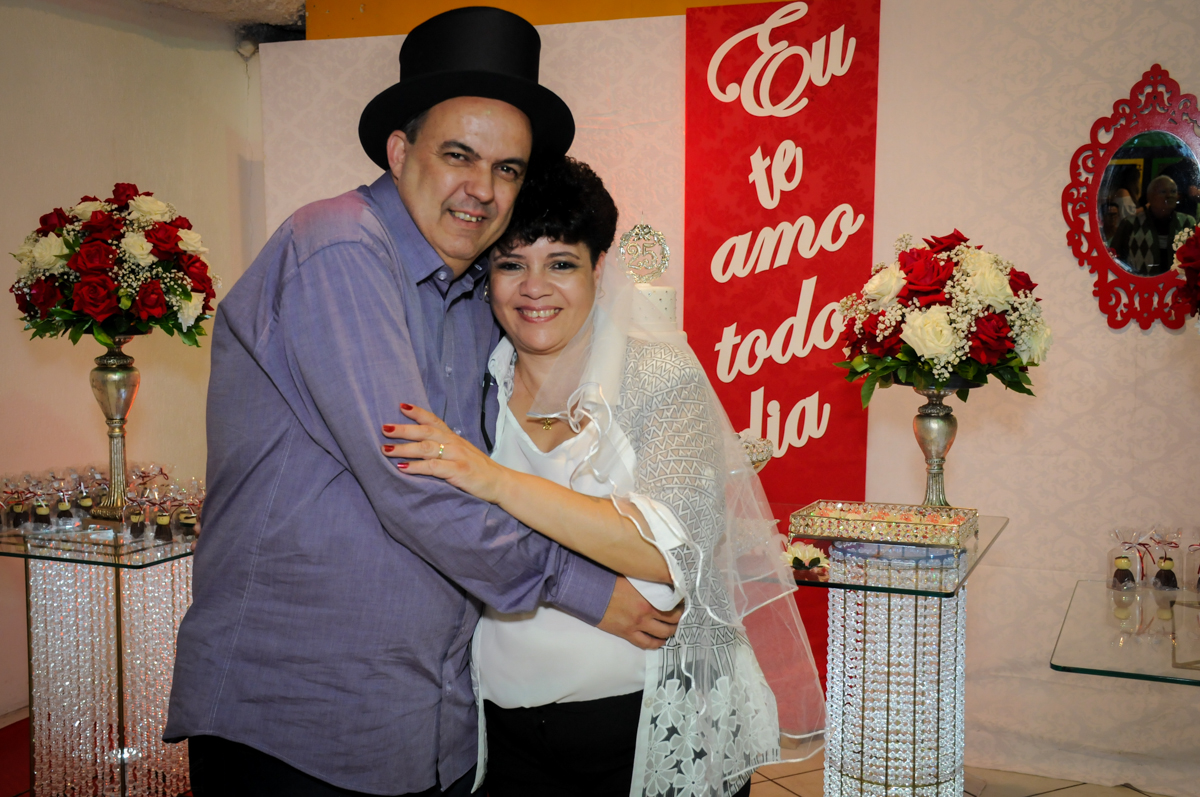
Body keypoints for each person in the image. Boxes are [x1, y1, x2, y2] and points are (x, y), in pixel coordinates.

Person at [164, 8, 682, 796]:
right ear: (400, 152)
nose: (482, 189)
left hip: (432, 721)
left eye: (507, 168)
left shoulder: (479, 298)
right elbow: (412, 482)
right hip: (299, 719)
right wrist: (585, 588)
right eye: (458, 155)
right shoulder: (338, 247)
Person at [382, 157, 826, 797]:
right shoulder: (475, 381)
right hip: (503, 726)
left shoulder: (656, 376)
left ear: (599, 268)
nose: (535, 288)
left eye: (561, 263)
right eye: (511, 265)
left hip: (644, 722)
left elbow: (668, 553)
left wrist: (492, 479)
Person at [1112, 174, 1197, 276]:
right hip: (1140, 284)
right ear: (1150, 197)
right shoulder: (1131, 223)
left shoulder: (1187, 223)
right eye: (1163, 192)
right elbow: (1114, 258)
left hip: (1177, 284)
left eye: (1173, 191)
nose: (1169, 196)